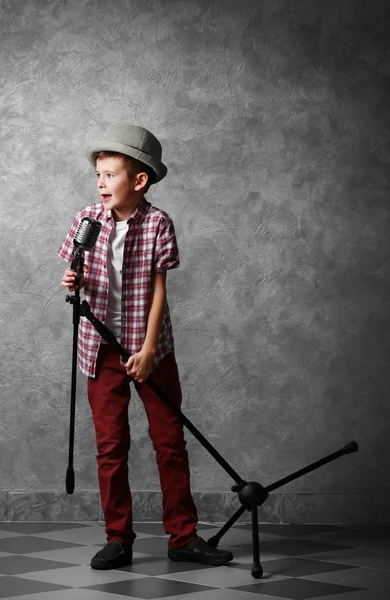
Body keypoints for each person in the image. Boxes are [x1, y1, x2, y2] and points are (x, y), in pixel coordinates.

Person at [58, 124, 233, 570]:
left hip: (150, 348)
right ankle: (118, 537)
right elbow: (78, 273)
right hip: (100, 349)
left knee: (169, 441)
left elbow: (159, 293)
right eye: (97, 175)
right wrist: (73, 279)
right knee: (110, 446)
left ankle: (183, 536)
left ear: (139, 181)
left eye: (110, 174)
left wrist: (150, 349)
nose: (100, 183)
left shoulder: (158, 224)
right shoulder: (86, 220)